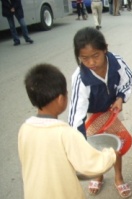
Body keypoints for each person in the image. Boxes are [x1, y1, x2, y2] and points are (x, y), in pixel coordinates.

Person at [19, 63, 117, 199]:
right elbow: (91, 165)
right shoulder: (65, 133)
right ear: (61, 99)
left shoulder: (25, 129)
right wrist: (111, 154)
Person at [68, 27, 132, 198]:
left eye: (95, 55)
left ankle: (118, 177)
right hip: (92, 115)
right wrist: (79, 143)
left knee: (116, 144)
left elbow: (129, 80)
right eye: (84, 58)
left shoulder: (116, 62)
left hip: (113, 110)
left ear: (105, 49)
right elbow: (76, 113)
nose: (91, 62)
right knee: (95, 146)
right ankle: (98, 174)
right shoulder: (80, 78)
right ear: (78, 56)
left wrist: (120, 98)